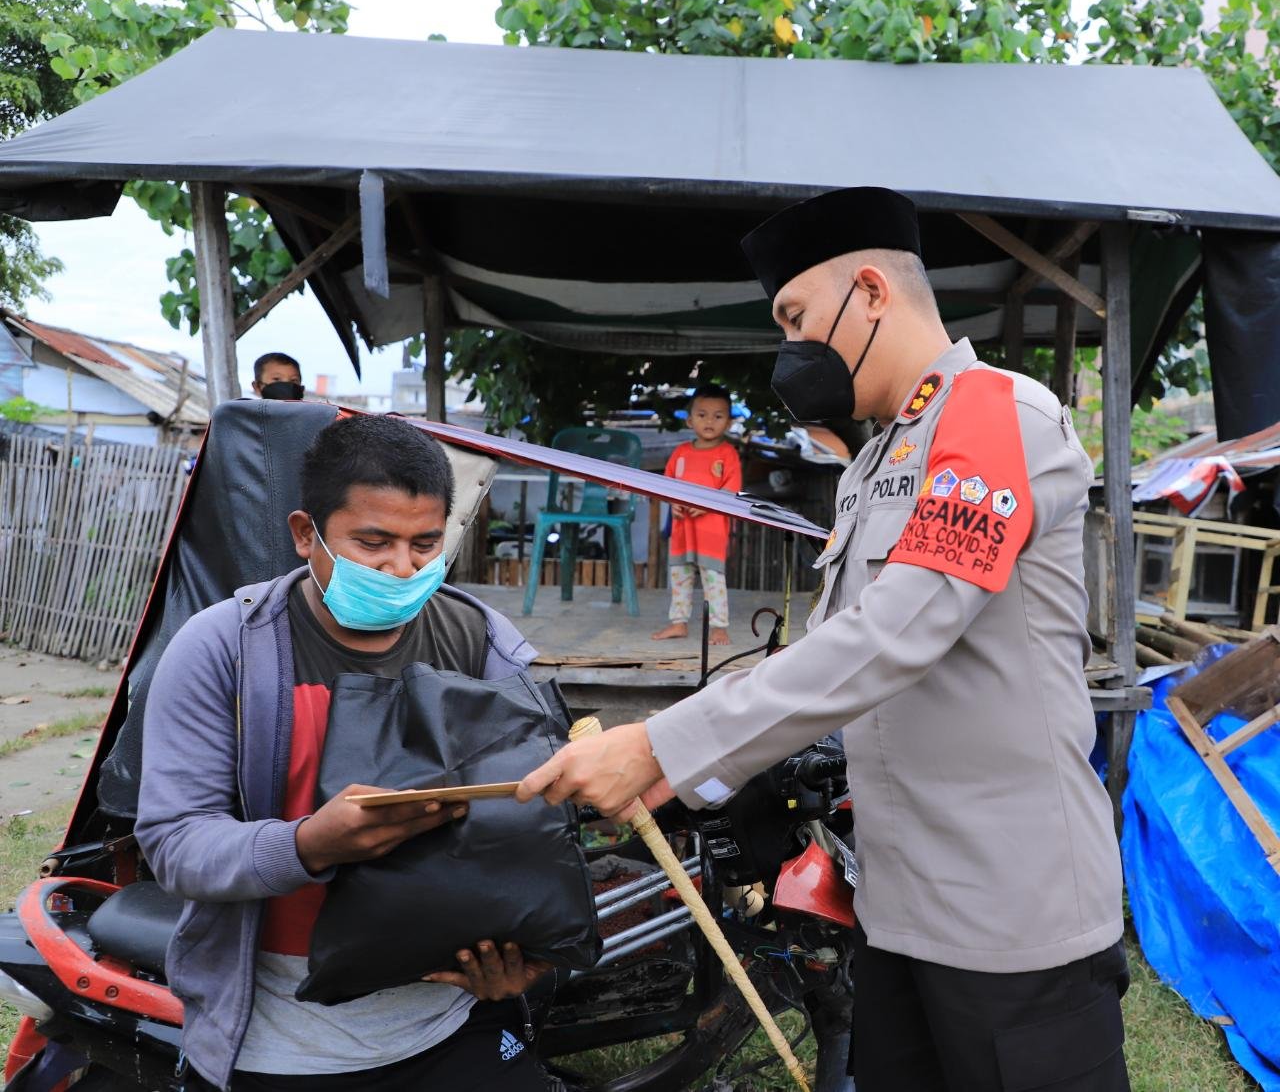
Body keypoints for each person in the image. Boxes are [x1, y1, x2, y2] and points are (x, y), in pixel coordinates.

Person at [518, 187, 1129, 1091]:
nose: (791, 347)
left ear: (873, 292)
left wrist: (664, 739)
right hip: (897, 904)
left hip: (1011, 914)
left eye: (797, 316)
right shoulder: (872, 464)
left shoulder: (994, 414)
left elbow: (898, 634)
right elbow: (841, 670)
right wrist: (700, 775)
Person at [136, 415, 548, 1092]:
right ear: (307, 533)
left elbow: (526, 821)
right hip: (283, 1039)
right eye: (374, 541)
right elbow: (175, 841)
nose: (402, 567)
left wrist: (517, 953)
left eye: (425, 543)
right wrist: (308, 845)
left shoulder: (481, 640)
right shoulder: (221, 650)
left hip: (446, 1015)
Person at [652, 383, 743, 646]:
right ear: (690, 420)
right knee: (680, 578)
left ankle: (719, 627)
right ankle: (678, 623)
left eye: (718, 416)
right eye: (702, 415)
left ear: (728, 422)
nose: (710, 421)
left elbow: (731, 490)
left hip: (711, 532)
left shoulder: (728, 454)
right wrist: (673, 503)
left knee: (713, 580)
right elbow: (666, 485)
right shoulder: (680, 452)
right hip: (682, 530)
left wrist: (706, 504)